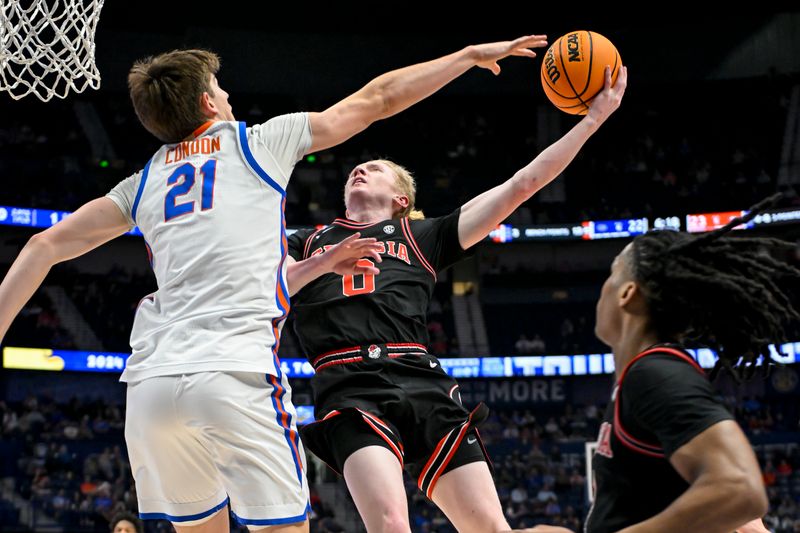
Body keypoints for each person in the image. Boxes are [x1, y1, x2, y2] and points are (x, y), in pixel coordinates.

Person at [0, 35, 548, 533]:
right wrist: (466, 57)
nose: (229, 96)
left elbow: (41, 247)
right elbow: (378, 99)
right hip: (232, 373)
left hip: (148, 388)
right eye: (221, 88)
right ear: (208, 105)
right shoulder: (257, 141)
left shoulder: (140, 184)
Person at [285, 65, 627, 532]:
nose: (361, 168)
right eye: (357, 169)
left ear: (401, 199)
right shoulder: (305, 241)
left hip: (419, 377)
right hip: (348, 384)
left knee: (491, 527)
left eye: (377, 169)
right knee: (388, 524)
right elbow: (271, 287)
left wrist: (592, 121)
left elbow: (522, 185)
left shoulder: (422, 235)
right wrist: (326, 260)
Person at [514, 196, 798, 533]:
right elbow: (747, 525)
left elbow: (741, 490)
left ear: (627, 294)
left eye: (611, 274)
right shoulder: (646, 376)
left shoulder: (654, 374)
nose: (601, 288)